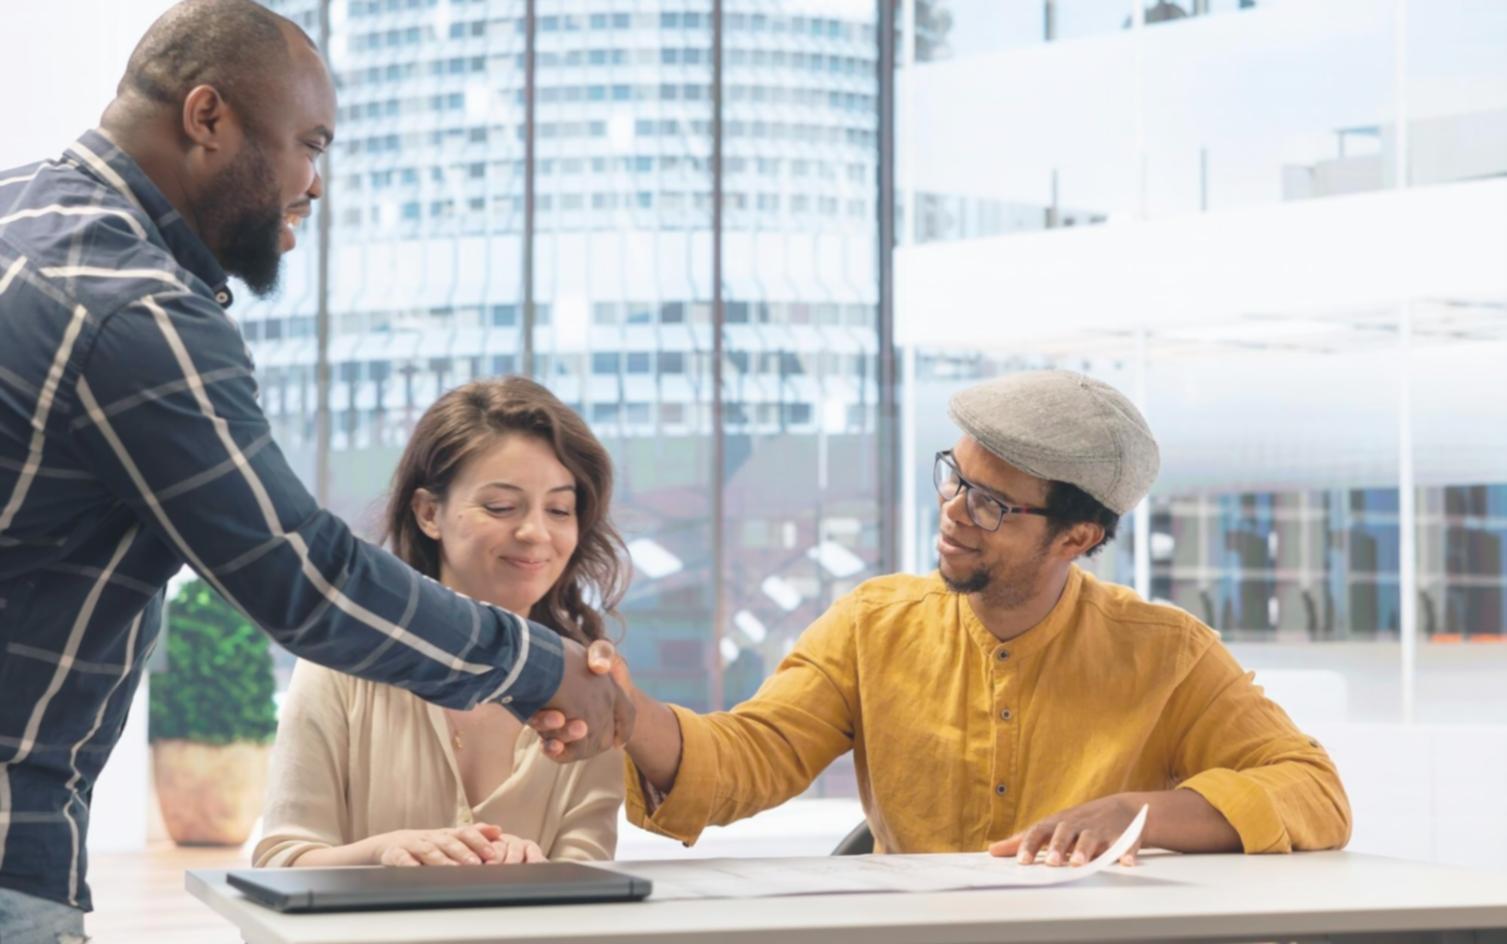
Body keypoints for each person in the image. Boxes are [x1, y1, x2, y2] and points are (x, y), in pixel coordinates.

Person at [0, 1, 628, 936]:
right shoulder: (131, 310)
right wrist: (536, 668)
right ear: (207, 118)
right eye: (309, 145)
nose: (314, 183)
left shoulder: (21, 215)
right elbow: (304, 578)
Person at [539, 370, 1352, 865]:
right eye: (953, 478)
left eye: (991, 503)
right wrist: (629, 715)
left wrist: (1137, 816)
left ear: (1076, 537)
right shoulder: (873, 623)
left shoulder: (1166, 653)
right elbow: (754, 757)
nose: (954, 511)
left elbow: (1310, 791)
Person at [254, 379, 628, 868]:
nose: (535, 532)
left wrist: (542, 874)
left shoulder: (587, 688)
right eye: (500, 507)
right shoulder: (342, 666)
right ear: (430, 512)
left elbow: (590, 877)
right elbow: (282, 860)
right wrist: (384, 852)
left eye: (559, 509)